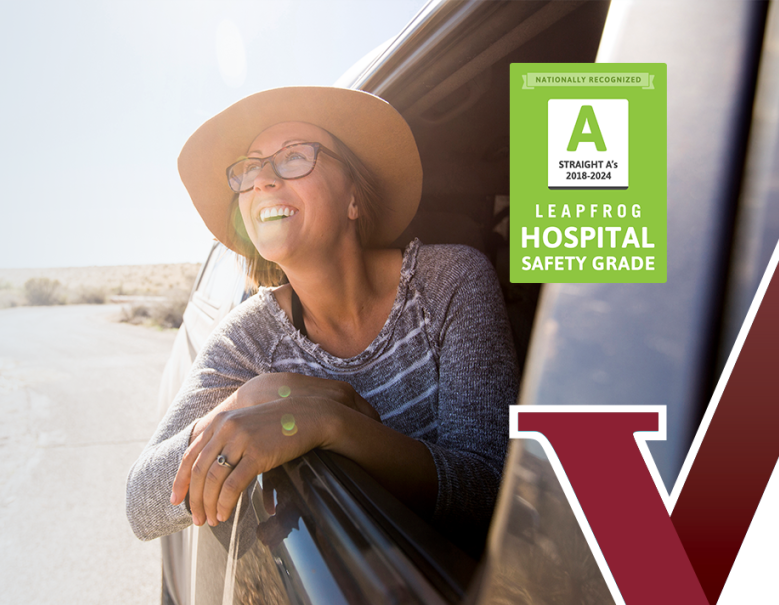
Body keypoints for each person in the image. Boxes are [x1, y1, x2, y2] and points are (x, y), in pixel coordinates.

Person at [124, 87, 518, 545]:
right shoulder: (248, 340)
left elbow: (493, 494)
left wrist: (328, 424)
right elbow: (141, 505)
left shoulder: (450, 281)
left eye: (293, 157)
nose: (263, 180)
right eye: (251, 167)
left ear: (354, 197)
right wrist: (254, 397)